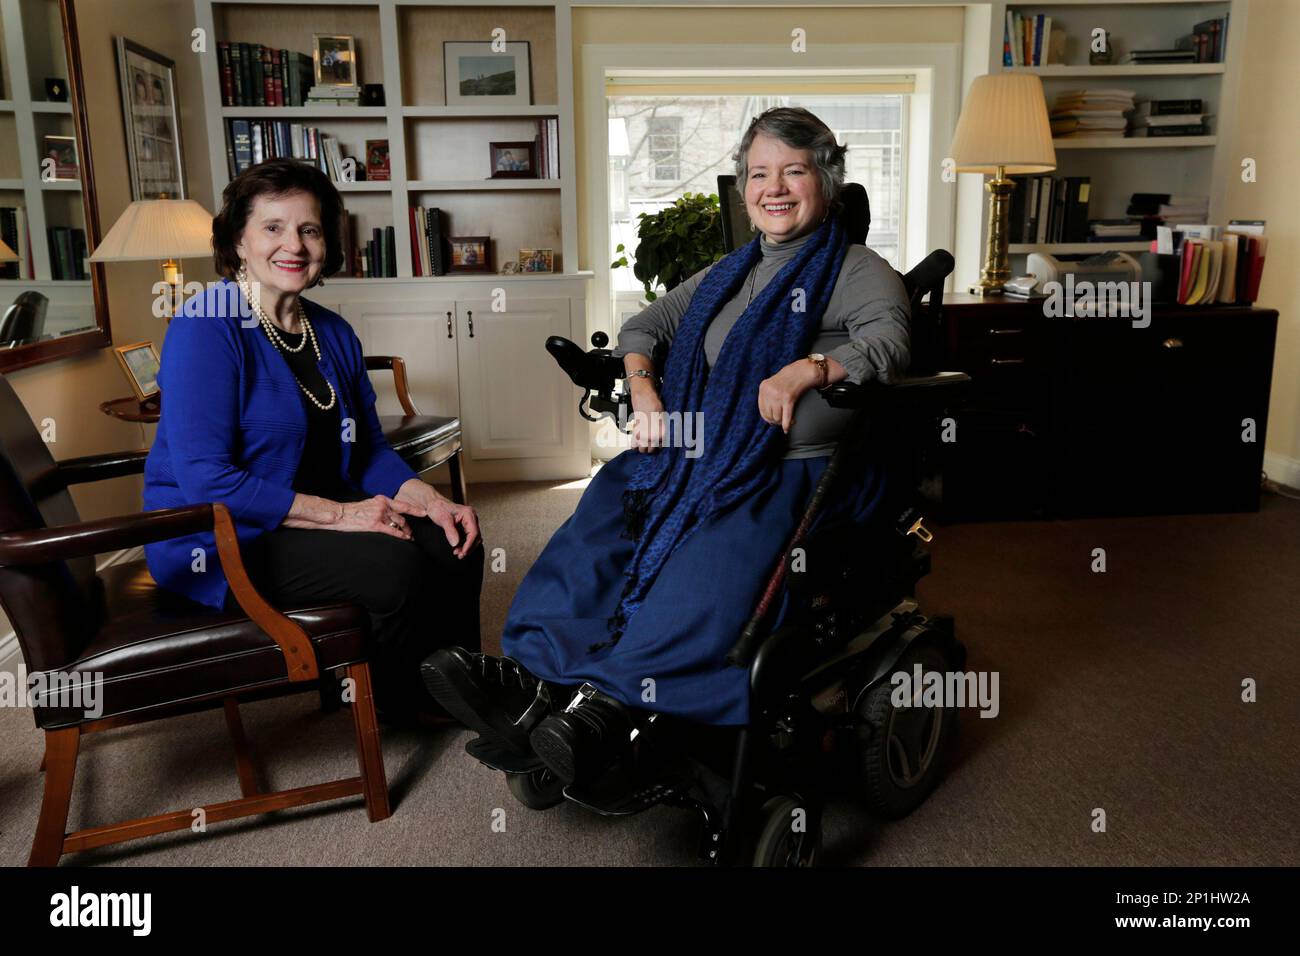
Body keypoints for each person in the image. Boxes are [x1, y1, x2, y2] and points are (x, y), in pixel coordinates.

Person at [422, 107, 911, 781]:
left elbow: (889, 343)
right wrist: (644, 388)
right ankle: (534, 686)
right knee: (601, 529)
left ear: (825, 181)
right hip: (697, 458)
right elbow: (644, 325)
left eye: (794, 171)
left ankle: (606, 711)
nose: (775, 188)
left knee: (699, 572)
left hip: (789, 473)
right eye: (759, 173)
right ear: (744, 189)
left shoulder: (856, 268)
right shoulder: (727, 274)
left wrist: (810, 368)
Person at [143, 158, 483, 723]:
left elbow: (369, 448)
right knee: (390, 565)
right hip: (222, 535)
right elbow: (207, 478)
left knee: (454, 537)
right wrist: (343, 516)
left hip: (309, 511)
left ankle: (461, 691)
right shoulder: (207, 324)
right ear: (239, 241)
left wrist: (430, 500)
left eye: (310, 229)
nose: (293, 245)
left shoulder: (332, 331)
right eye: (273, 227)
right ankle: (394, 705)